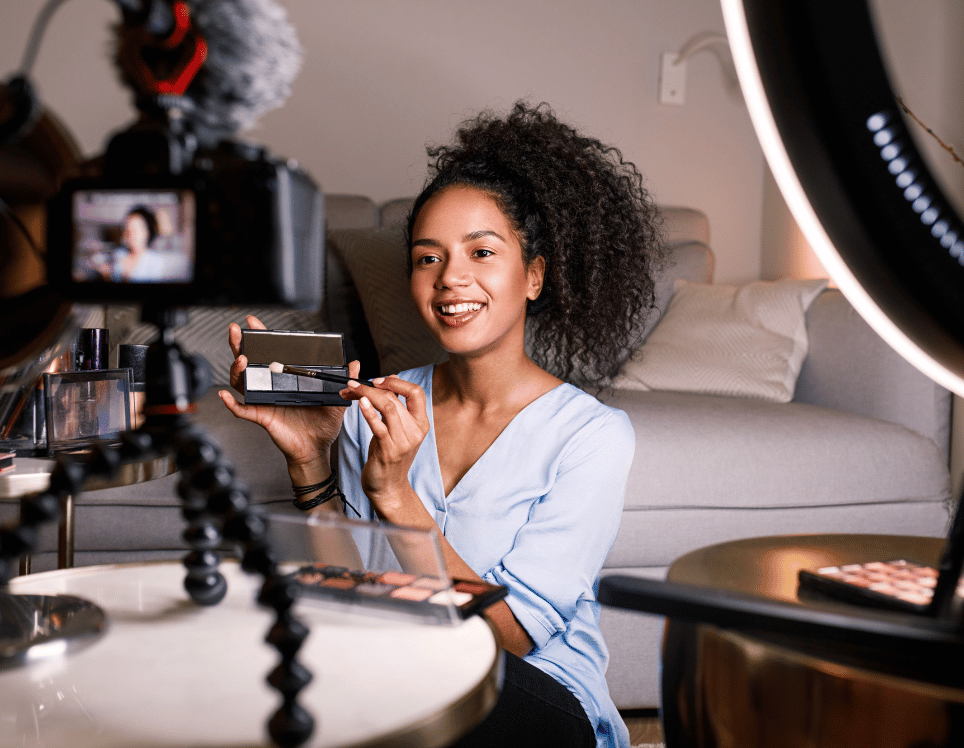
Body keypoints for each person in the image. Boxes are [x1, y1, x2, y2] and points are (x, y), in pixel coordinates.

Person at [220, 101, 664, 748]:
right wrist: (311, 462)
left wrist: (397, 497)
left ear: (533, 275)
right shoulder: (377, 411)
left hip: (536, 699)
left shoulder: (591, 435)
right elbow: (349, 598)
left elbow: (507, 633)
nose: (451, 277)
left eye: (481, 251)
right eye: (428, 258)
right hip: (399, 677)